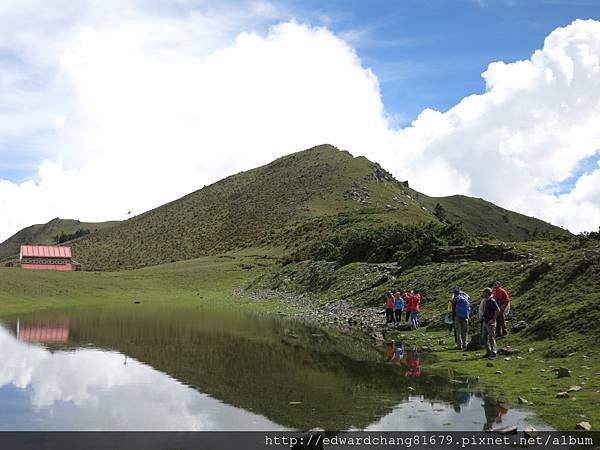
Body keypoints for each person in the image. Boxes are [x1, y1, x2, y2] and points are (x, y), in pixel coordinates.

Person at [481, 287, 500, 359]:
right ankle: (488, 351)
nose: (482, 293)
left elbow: (498, 310)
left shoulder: (492, 301)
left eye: (484, 292)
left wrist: (493, 319)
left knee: (491, 338)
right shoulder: (486, 300)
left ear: (487, 293)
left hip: (490, 322)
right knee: (484, 337)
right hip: (485, 321)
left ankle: (494, 353)